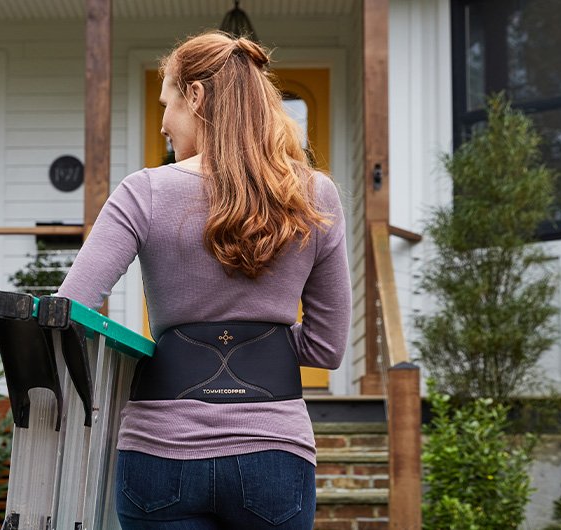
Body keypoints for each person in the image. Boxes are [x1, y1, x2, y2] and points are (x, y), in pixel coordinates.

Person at [57, 31, 350, 530]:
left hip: (159, 455)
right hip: (274, 456)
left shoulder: (143, 192)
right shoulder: (314, 195)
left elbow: (68, 313)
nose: (164, 124)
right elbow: (326, 349)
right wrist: (261, 342)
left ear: (195, 96)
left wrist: (165, 350)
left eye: (166, 104)